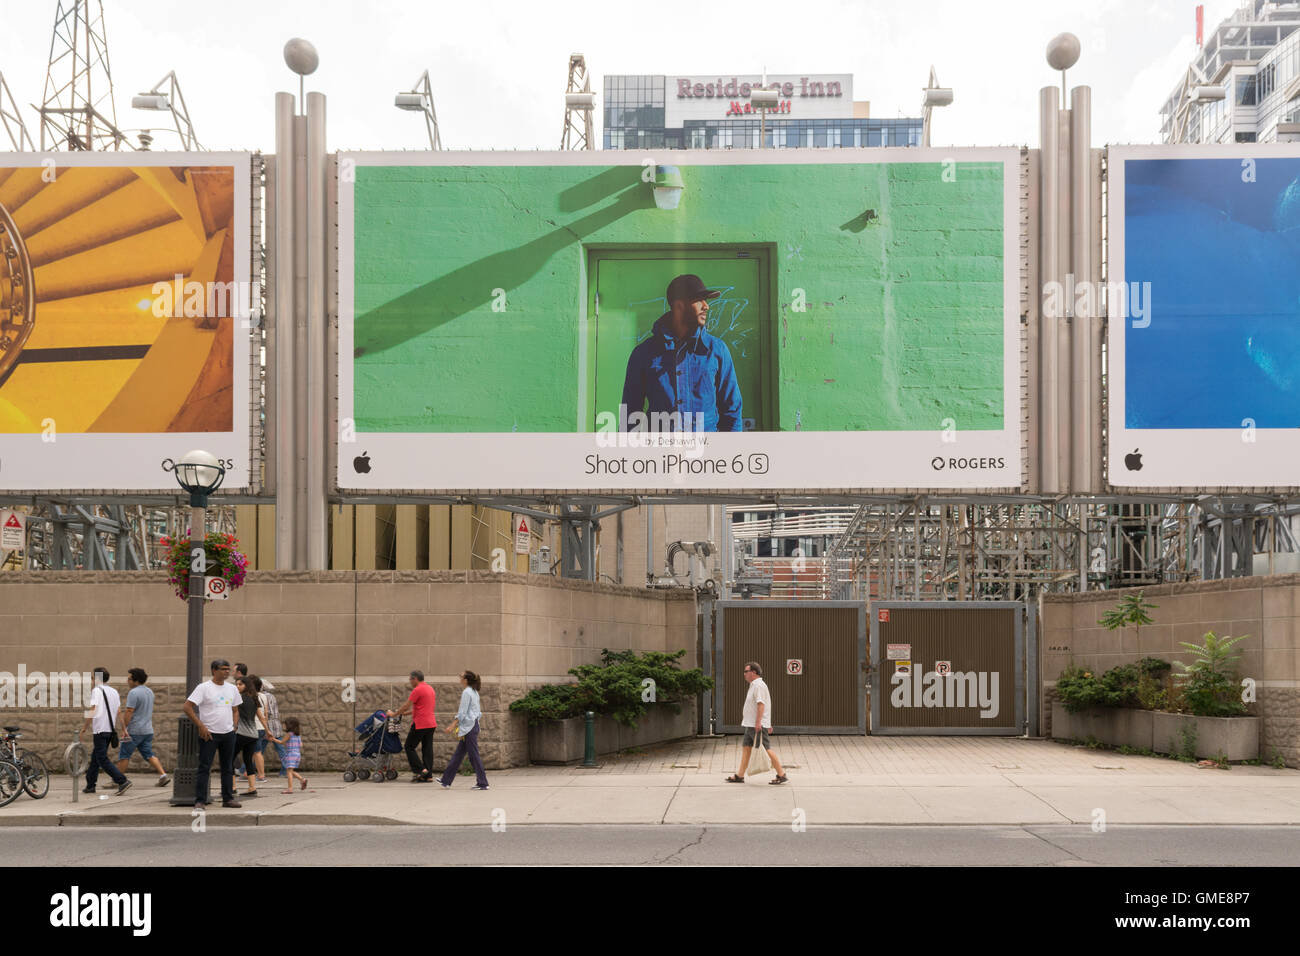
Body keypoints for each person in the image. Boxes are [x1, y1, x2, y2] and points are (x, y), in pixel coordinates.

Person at [620, 273, 744, 433]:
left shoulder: (717, 350)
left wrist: (727, 453)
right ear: (679, 306)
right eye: (699, 300)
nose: (706, 306)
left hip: (707, 454)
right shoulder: (644, 353)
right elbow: (630, 413)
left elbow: (732, 409)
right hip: (659, 453)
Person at [183, 659, 243, 809]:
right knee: (204, 767)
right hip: (209, 734)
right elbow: (187, 707)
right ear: (214, 670)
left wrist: (234, 726)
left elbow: (235, 709)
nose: (227, 672)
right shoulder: (204, 688)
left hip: (228, 733)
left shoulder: (232, 688)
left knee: (228, 767)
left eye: (228, 669)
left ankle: (227, 798)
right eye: (223, 669)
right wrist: (200, 726)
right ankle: (200, 800)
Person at [725, 661, 788, 784]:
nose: (744, 674)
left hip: (756, 726)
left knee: (766, 748)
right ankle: (740, 775)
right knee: (746, 748)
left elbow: (761, 705)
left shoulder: (759, 685)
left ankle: (781, 774)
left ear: (753, 672)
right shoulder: (754, 685)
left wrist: (760, 723)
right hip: (750, 725)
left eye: (746, 671)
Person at [79, 666, 131, 796]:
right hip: (109, 730)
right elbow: (119, 712)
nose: (91, 680)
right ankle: (90, 785)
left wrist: (84, 728)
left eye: (92, 677)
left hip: (100, 730)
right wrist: (124, 729)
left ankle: (122, 780)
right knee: (96, 758)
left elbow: (93, 709)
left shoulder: (97, 690)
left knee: (101, 758)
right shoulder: (114, 691)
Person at [114, 667, 170, 787]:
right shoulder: (149, 692)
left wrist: (124, 728)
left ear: (136, 680)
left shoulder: (133, 692)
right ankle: (163, 775)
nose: (127, 681)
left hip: (134, 730)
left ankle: (117, 780)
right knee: (149, 754)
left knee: (124, 755)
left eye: (129, 679)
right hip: (147, 730)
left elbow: (129, 711)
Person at [439, 670, 489, 790]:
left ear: (466, 680)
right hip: (472, 726)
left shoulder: (467, 692)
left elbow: (463, 712)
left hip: (469, 728)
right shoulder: (474, 691)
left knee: (474, 756)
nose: (459, 679)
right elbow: (477, 711)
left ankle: (483, 783)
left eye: (461, 677)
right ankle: (446, 781)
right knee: (458, 755)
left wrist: (453, 725)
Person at [387, 670, 436, 782]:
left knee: (409, 747)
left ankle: (421, 770)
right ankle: (428, 776)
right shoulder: (430, 688)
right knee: (427, 749)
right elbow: (422, 707)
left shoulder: (417, 690)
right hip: (431, 723)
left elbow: (406, 705)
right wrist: (406, 713)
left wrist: (394, 714)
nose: (410, 682)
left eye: (410, 679)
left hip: (421, 724)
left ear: (415, 679)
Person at [233, 676, 266, 798]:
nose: (237, 686)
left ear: (246, 685)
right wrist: (268, 731)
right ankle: (252, 788)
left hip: (241, 733)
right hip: (253, 734)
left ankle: (232, 787)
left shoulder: (239, 698)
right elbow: (261, 717)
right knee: (247, 760)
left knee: (230, 758)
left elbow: (235, 715)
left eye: (240, 684)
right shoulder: (254, 699)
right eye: (236, 684)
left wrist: (234, 728)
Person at [266, 717, 307, 793]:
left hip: (291, 754)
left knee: (288, 772)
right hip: (297, 754)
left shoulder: (289, 734)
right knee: (290, 770)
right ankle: (302, 779)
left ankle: (290, 788)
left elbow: (282, 742)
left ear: (290, 725)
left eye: (285, 724)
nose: (284, 726)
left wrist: (273, 739)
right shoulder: (298, 735)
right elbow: (301, 744)